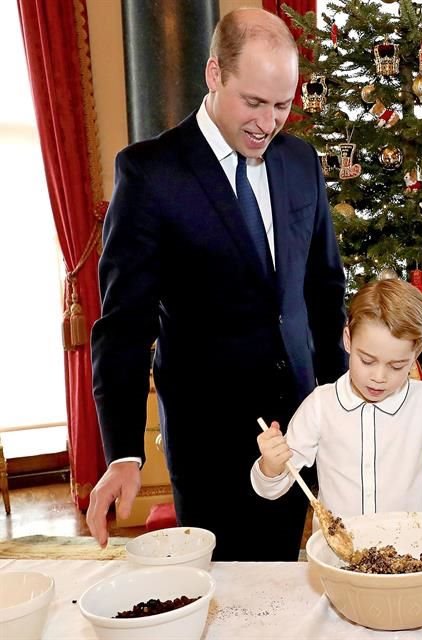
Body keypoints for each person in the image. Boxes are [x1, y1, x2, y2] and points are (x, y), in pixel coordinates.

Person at [87, 8, 348, 561]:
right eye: (253, 102)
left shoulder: (301, 161)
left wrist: (340, 401)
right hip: (209, 442)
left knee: (283, 579)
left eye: (282, 106)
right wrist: (123, 452)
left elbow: (324, 291)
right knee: (223, 591)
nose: (268, 123)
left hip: (298, 428)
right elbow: (124, 326)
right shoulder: (151, 173)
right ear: (214, 75)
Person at [252, 279, 422, 554]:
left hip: (407, 556)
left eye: (397, 366)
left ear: (416, 354)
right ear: (348, 339)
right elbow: (272, 488)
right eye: (367, 360)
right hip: (337, 559)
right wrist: (271, 466)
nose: (379, 377)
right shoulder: (321, 404)